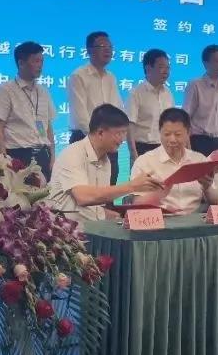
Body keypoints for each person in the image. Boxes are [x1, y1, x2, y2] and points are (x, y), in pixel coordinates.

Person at [46, 104, 162, 222]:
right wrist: (132, 186)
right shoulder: (73, 154)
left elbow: (96, 205)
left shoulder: (106, 161)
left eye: (124, 133)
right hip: (61, 227)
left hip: (89, 227)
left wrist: (118, 216)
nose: (122, 139)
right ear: (100, 132)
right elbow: (83, 197)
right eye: (119, 133)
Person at [0, 41, 56, 181]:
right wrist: (4, 160)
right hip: (18, 156)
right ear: (21, 63)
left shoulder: (43, 91)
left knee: (45, 195)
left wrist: (52, 157)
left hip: (43, 155)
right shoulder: (6, 90)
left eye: (42, 61)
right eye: (36, 61)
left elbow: (47, 127)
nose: (40, 65)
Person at [129, 108, 211, 214]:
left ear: (188, 133)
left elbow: (215, 201)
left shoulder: (199, 160)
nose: (172, 140)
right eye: (167, 134)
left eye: (178, 134)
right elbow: (137, 205)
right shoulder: (144, 162)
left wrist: (207, 187)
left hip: (194, 219)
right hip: (160, 219)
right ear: (160, 132)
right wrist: (159, 195)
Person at [67, 31, 123, 183]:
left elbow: (117, 109)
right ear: (89, 50)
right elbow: (80, 116)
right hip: (85, 140)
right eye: (103, 46)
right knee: (86, 186)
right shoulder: (78, 76)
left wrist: (116, 134)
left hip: (109, 141)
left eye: (110, 46)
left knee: (109, 185)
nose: (108, 50)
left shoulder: (111, 77)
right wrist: (99, 138)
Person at [184, 44, 218, 156]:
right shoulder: (195, 85)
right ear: (206, 63)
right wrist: (188, 146)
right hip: (200, 141)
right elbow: (185, 118)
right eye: (216, 61)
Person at [126, 48, 173, 165]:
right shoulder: (136, 93)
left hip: (164, 148)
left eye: (168, 68)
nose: (166, 71)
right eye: (161, 67)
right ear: (148, 68)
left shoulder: (168, 93)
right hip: (142, 148)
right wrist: (133, 154)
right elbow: (130, 126)